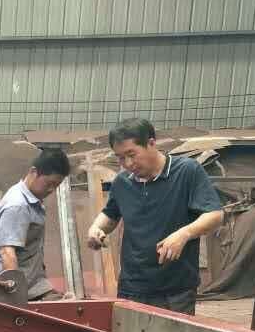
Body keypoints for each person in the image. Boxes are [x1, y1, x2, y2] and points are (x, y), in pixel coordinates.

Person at [86, 118, 224, 314]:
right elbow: (111, 214)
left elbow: (215, 215)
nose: (128, 164)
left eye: (132, 154)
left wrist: (183, 234)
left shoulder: (186, 172)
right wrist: (96, 228)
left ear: (151, 143)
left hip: (175, 291)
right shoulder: (122, 182)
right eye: (121, 158)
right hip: (131, 288)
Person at [0, 147, 72, 301]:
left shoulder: (31, 201)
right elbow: (7, 252)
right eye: (49, 183)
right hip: (13, 290)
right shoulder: (18, 205)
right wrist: (15, 297)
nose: (52, 190)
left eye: (56, 186)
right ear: (33, 172)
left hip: (32, 286)